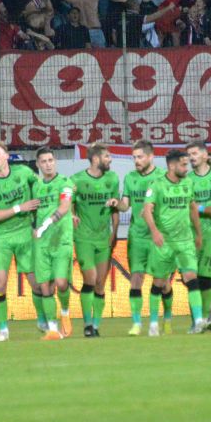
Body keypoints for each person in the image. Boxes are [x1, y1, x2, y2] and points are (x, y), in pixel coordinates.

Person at [0, 141, 42, 342]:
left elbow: (42, 191)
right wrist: (19, 208)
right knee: (0, 283)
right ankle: (3, 330)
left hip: (25, 234)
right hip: (2, 239)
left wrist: (39, 224)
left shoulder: (24, 172)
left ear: (7, 155)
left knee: (37, 284)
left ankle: (42, 319)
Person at [141, 149, 208, 335]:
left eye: (187, 164)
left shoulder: (188, 183)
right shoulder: (157, 185)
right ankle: (154, 324)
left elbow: (193, 208)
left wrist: (199, 234)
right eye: (183, 164)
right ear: (171, 166)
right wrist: (154, 231)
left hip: (185, 241)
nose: (186, 167)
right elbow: (147, 210)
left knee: (191, 278)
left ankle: (198, 321)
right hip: (164, 241)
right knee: (160, 283)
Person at [70, 143, 121, 337]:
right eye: (107, 156)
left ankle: (96, 325)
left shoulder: (113, 179)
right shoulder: (77, 180)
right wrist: (72, 216)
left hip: (103, 238)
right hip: (83, 238)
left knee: (100, 282)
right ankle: (87, 324)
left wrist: (114, 233)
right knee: (90, 279)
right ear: (95, 159)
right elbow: (69, 204)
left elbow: (116, 209)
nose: (110, 160)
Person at [118, 140, 165, 336]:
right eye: (134, 157)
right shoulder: (130, 178)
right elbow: (125, 205)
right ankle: (136, 323)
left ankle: (156, 321)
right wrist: (115, 203)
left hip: (157, 236)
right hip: (136, 236)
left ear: (150, 156)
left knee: (160, 281)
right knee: (136, 278)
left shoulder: (162, 177)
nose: (136, 161)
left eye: (140, 157)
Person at [32, 147, 76, 340]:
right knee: (45, 287)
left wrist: (44, 225)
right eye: (44, 161)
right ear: (38, 164)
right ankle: (52, 329)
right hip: (42, 243)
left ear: (55, 161)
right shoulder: (36, 186)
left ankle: (65, 312)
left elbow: (65, 206)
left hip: (61, 240)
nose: (48, 164)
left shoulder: (65, 183)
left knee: (61, 283)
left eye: (51, 160)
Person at [185, 141, 211, 332]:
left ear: (204, 154)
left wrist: (199, 208)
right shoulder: (188, 179)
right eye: (189, 154)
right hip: (194, 235)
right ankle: (204, 319)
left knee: (205, 278)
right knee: (196, 280)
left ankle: (205, 321)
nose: (191, 157)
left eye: (194, 153)